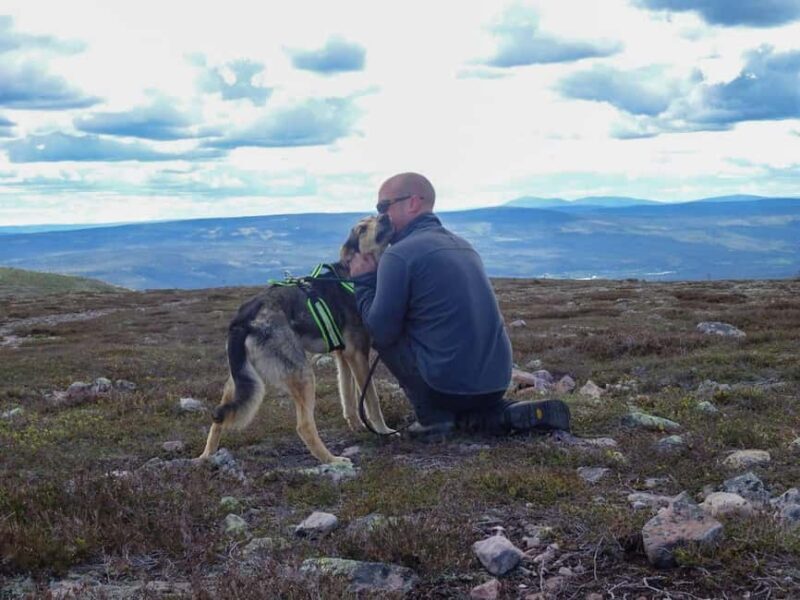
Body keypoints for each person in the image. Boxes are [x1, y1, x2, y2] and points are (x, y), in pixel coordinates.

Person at [348, 172, 570, 437]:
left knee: (385, 330)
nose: (381, 217)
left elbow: (381, 331)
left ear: (413, 203)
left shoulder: (399, 254)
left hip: (444, 388)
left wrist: (363, 283)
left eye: (384, 207)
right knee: (475, 409)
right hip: (495, 383)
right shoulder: (464, 245)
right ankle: (502, 414)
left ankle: (432, 419)